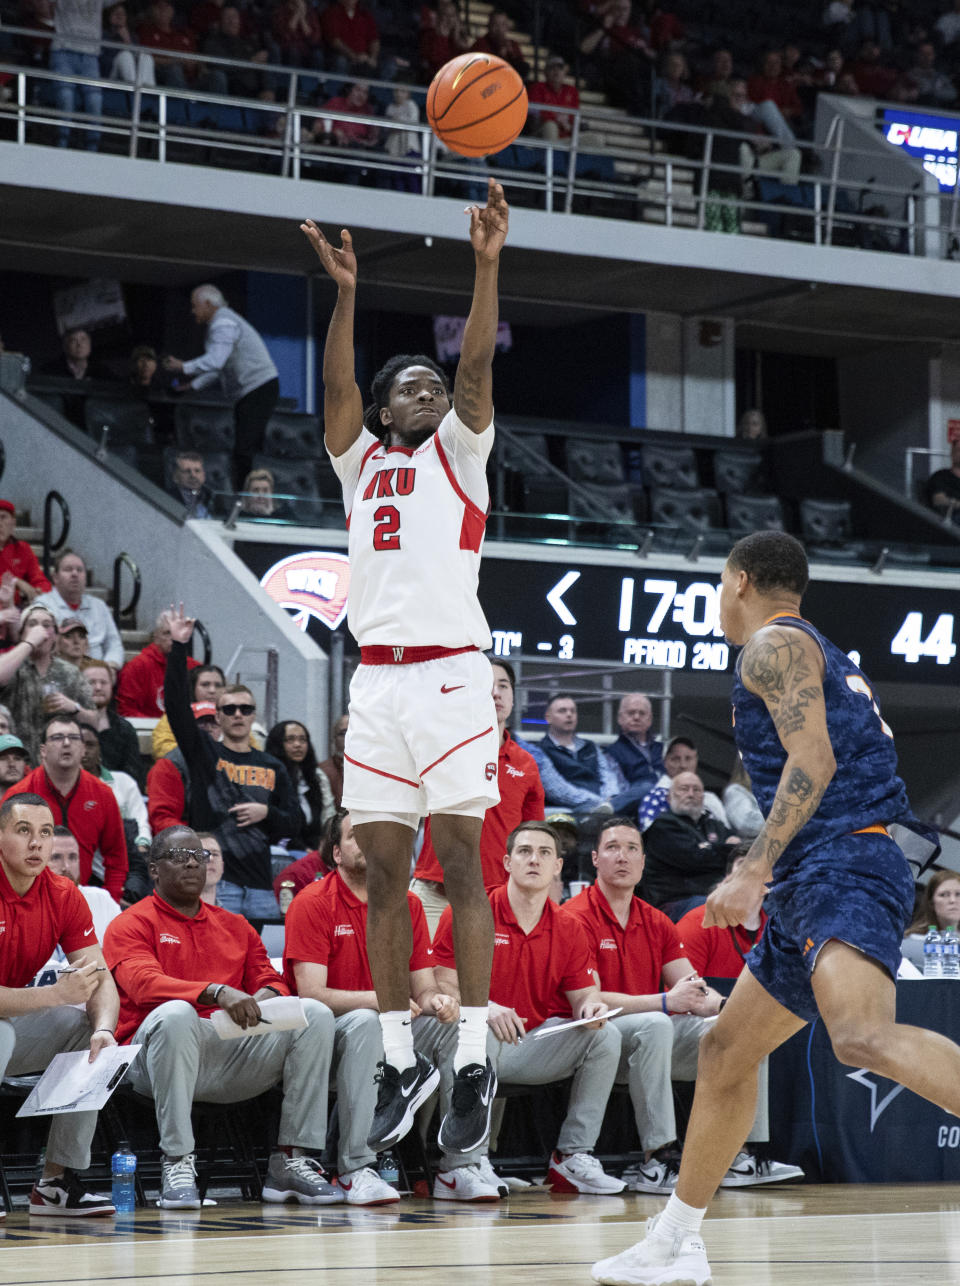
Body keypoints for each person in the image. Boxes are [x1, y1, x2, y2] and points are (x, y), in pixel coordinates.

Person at [592, 530, 951, 1286]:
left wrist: (751, 869)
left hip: (844, 857)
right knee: (727, 1049)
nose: (720, 602)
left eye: (721, 586)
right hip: (815, 871)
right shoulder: (818, 647)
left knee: (860, 1036)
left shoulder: (771, 647)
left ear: (743, 580)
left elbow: (813, 759)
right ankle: (675, 1241)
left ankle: (675, 1240)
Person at [299, 177, 509, 1158]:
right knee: (383, 876)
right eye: (410, 385)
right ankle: (395, 1052)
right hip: (375, 683)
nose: (429, 389)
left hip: (456, 676)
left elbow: (473, 365)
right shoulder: (360, 460)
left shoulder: (461, 453)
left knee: (460, 861)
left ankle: (469, 1050)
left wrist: (485, 264)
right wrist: (345, 292)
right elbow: (337, 390)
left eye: (434, 383)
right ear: (386, 409)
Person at [103, 824, 340, 1209]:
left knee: (312, 1012)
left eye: (201, 856)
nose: (193, 864)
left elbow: (274, 980)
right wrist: (216, 991)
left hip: (229, 1050)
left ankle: (292, 1161)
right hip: (152, 1059)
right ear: (154, 869)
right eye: (180, 857)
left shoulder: (235, 926)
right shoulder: (131, 923)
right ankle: (177, 1162)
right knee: (177, 1014)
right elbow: (144, 983)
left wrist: (260, 998)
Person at [566, 821, 796, 1196]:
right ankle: (658, 1158)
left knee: (741, 1029)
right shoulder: (575, 915)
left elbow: (693, 988)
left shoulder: (655, 919)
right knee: (657, 1022)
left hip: (651, 1039)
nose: (622, 856)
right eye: (611, 848)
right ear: (595, 859)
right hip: (595, 1038)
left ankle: (740, 1155)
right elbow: (587, 1000)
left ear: (643, 861)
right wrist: (663, 1002)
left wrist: (727, 1007)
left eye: (631, 848)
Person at [432, 821, 624, 1197]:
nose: (534, 859)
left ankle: (572, 1157)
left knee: (605, 1037)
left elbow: (585, 995)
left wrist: (592, 1008)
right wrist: (484, 1007)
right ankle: (459, 1165)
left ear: (558, 867)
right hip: (475, 1035)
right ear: (506, 862)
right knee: (475, 1030)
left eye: (544, 853)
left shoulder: (569, 926)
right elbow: (440, 981)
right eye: (524, 851)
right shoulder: (470, 910)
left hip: (529, 1043)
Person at [284, 809, 449, 1204]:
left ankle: (459, 1167)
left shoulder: (406, 903)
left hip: (393, 1021)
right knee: (365, 1022)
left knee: (456, 1024)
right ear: (337, 853)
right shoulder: (312, 902)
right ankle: (354, 1167)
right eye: (357, 835)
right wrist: (379, 1001)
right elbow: (312, 994)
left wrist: (438, 1000)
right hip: (331, 1033)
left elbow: (423, 987)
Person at [0, 793, 120, 1217]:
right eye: (23, 831)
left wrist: (105, 1027)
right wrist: (54, 995)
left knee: (88, 1033)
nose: (37, 844)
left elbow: (100, 978)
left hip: (13, 1022)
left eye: (45, 833)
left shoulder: (63, 894)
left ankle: (54, 1185)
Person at [162, 606, 300, 922]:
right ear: (218, 716)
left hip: (262, 886)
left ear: (254, 715)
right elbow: (175, 706)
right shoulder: (203, 753)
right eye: (230, 709)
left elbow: (295, 822)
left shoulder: (273, 765)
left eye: (245, 708)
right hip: (215, 882)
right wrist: (179, 646)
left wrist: (268, 814)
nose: (238, 714)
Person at [411, 658, 545, 933]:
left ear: (513, 698)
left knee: (491, 978)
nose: (496, 692)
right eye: (487, 685)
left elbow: (535, 836)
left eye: (504, 686)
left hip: (497, 898)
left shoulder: (525, 764)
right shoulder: (442, 747)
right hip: (436, 894)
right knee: (426, 977)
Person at [163, 286, 280, 490]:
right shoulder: (225, 321)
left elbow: (216, 362)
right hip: (256, 389)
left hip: (258, 388)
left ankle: (245, 496)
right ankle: (245, 493)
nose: (192, 311)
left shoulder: (222, 322)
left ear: (208, 304)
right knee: (245, 446)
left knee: (245, 448)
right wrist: (191, 385)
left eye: (195, 306)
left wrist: (183, 366)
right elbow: (220, 367)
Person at [4, 714, 129, 901]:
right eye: (57, 737)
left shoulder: (102, 794)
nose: (66, 743)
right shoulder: (18, 796)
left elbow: (117, 856)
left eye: (73, 738)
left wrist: (109, 899)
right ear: (43, 750)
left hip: (83, 897)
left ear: (83, 749)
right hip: (28, 899)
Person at [0, 604, 96, 764]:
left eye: (46, 625)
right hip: (15, 764)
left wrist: (74, 708)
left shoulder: (70, 672)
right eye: (32, 624)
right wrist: (29, 642)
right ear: (22, 633)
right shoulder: (13, 666)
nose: (40, 630)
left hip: (58, 766)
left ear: (55, 636)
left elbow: (95, 721)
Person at [641, 772, 741, 917]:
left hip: (715, 893)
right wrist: (726, 848)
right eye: (684, 789)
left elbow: (740, 852)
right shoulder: (662, 825)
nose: (691, 794)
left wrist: (710, 849)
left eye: (696, 790)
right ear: (669, 797)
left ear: (703, 797)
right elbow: (696, 858)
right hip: (674, 903)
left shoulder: (714, 825)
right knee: (715, 906)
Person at [526, 694, 626, 817]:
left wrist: (610, 798)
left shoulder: (591, 746)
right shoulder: (540, 751)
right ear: (548, 717)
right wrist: (599, 802)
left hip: (602, 804)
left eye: (573, 711)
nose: (569, 715)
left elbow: (607, 775)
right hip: (570, 808)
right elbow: (559, 791)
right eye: (562, 711)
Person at [34, 549, 125, 668]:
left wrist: (109, 667)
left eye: (79, 570)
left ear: (86, 578)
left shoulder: (99, 606)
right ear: (55, 577)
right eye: (68, 569)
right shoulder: (42, 605)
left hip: (97, 674)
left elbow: (114, 644)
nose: (74, 574)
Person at [146, 700, 222, 834]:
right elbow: (162, 819)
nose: (208, 728)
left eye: (213, 723)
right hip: (185, 844)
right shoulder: (169, 766)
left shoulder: (230, 761)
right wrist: (194, 840)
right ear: (188, 726)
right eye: (201, 723)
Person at [79, 723, 150, 860]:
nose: (84, 751)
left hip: (126, 854)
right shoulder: (64, 787)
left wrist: (141, 848)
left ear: (100, 749)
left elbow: (141, 821)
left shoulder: (123, 781)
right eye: (79, 745)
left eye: (90, 745)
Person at [264, 720, 335, 850]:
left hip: (313, 850)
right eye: (290, 739)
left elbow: (322, 822)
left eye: (303, 740)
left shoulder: (314, 777)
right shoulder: (268, 777)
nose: (298, 745)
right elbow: (273, 828)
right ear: (278, 743)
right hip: (280, 850)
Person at [115, 614, 199, 719]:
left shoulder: (195, 668)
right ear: (156, 637)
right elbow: (126, 709)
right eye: (167, 633)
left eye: (177, 632)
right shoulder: (136, 667)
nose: (173, 638)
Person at [638, 736, 729, 831]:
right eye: (676, 759)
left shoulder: (710, 799)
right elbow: (653, 837)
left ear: (696, 761)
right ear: (665, 762)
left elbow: (726, 834)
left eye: (688, 758)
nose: (683, 765)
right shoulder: (655, 798)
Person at [79, 658, 144, 789]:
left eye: (103, 682)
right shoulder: (68, 726)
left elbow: (134, 775)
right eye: (91, 682)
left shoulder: (124, 729)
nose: (98, 687)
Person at [152, 663, 224, 759]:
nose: (212, 690)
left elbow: (247, 748)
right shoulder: (175, 716)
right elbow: (162, 749)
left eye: (218, 685)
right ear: (192, 687)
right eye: (205, 684)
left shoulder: (233, 714)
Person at [604, 693, 663, 806]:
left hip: (667, 801)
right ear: (620, 718)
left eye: (642, 713)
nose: (636, 717)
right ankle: (609, 808)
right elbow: (618, 789)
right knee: (647, 786)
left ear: (650, 719)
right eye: (631, 713)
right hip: (635, 805)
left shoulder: (663, 749)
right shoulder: (611, 753)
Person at [901, 867, 960, 969]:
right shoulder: (911, 943)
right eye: (944, 895)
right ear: (931, 903)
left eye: (958, 894)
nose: (952, 900)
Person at [0, 499, 51, 604]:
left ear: (13, 523)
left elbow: (38, 578)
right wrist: (17, 582)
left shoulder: (23, 549)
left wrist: (41, 591)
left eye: (3, 517)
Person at [320, 0, 381, 78]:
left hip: (364, 58)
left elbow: (374, 39)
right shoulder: (331, 13)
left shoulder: (365, 15)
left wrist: (373, 57)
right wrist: (353, 56)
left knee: (389, 64)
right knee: (340, 61)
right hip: (342, 57)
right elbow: (335, 41)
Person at [528, 54, 580, 140]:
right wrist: (556, 118)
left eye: (560, 68)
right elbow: (534, 114)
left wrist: (569, 125)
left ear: (565, 72)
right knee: (550, 126)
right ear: (545, 72)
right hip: (542, 133)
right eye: (552, 68)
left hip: (566, 137)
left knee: (595, 139)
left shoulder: (572, 91)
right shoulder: (537, 88)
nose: (556, 71)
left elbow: (574, 119)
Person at [471, 9, 529, 80]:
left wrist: (511, 54)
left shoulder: (513, 45)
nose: (499, 29)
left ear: (507, 27)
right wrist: (500, 55)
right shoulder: (480, 44)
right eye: (495, 24)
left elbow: (523, 71)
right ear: (488, 26)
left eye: (502, 24)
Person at [42, 327, 113, 380]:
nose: (79, 345)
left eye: (83, 339)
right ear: (65, 346)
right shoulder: (50, 371)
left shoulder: (101, 370)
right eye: (73, 340)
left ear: (89, 345)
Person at [318, 712, 347, 807]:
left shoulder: (375, 769)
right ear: (334, 739)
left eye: (354, 732)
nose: (349, 736)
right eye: (344, 733)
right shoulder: (322, 771)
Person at [198, 831, 224, 905]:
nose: (211, 858)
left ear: (222, 866)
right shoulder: (166, 915)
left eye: (215, 854)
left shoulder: (229, 916)